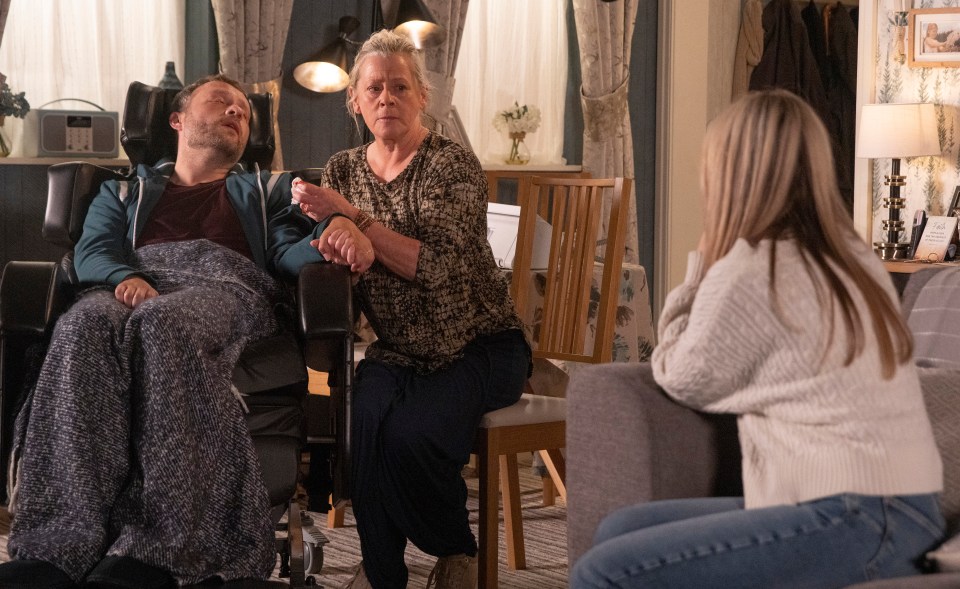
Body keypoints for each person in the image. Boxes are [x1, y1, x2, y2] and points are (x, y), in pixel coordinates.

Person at [570, 90, 946, 589]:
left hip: (859, 517)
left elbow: (682, 376)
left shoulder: (753, 269)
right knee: (617, 530)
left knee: (605, 571)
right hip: (904, 508)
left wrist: (703, 261)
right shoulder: (853, 257)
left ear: (728, 175)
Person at [0, 74, 358, 589]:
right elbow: (94, 249)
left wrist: (333, 232)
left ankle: (160, 550)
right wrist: (128, 278)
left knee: (163, 322)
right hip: (134, 282)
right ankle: (55, 547)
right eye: (221, 102)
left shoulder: (266, 189)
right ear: (178, 120)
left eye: (243, 110)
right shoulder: (121, 189)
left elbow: (288, 250)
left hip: (225, 286)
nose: (237, 111)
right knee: (81, 324)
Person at [292, 29, 530, 589]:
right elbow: (339, 248)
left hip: (479, 346)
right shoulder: (344, 168)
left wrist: (358, 223)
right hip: (397, 351)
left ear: (422, 96)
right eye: (373, 88)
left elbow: (436, 267)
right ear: (355, 102)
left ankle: (457, 552)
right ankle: (382, 573)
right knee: (363, 429)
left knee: (411, 438)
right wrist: (341, 240)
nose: (386, 98)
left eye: (400, 86)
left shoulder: (453, 166)